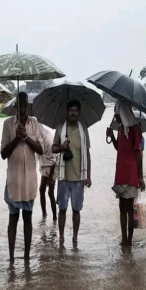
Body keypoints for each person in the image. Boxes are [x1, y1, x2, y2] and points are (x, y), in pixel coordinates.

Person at [1, 92, 43, 262]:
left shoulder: (34, 123)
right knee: (13, 218)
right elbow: (3, 153)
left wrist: (26, 138)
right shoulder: (8, 124)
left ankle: (26, 257)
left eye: (25, 105)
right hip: (14, 180)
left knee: (28, 217)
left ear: (28, 106)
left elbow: (40, 149)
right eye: (20, 106)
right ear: (16, 107)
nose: (23, 109)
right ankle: (11, 258)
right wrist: (16, 139)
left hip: (29, 180)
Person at [52, 99, 92, 244]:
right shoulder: (60, 128)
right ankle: (62, 238)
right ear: (67, 112)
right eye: (71, 110)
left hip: (79, 177)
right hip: (63, 178)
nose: (73, 113)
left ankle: (75, 238)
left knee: (76, 210)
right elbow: (53, 149)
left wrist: (88, 176)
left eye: (75, 110)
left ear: (79, 112)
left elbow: (87, 153)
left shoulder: (83, 129)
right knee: (62, 209)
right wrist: (62, 147)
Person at [106, 100, 145, 246]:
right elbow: (119, 149)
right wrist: (112, 137)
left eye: (116, 113)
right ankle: (124, 239)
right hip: (120, 173)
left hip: (131, 174)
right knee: (122, 207)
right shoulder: (121, 129)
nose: (115, 117)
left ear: (122, 113)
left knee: (129, 208)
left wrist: (140, 176)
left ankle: (129, 240)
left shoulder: (135, 129)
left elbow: (138, 153)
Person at [38, 126, 58, 220]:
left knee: (50, 192)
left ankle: (55, 218)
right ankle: (44, 214)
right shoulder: (39, 136)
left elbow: (54, 161)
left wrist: (50, 179)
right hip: (45, 165)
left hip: (53, 166)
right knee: (42, 189)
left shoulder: (48, 141)